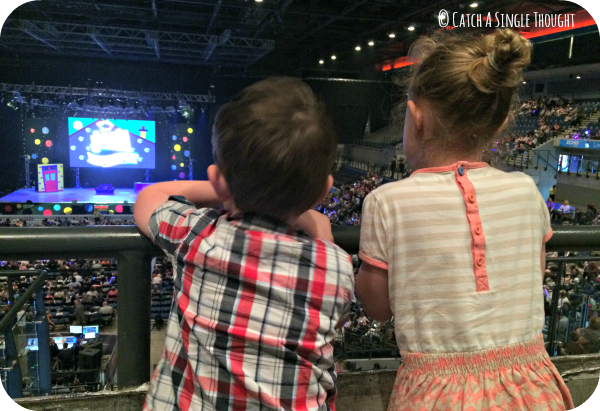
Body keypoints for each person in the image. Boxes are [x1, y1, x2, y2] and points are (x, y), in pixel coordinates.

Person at [356, 29, 574, 410]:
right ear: (500, 123)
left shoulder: (386, 202)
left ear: (415, 119)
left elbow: (376, 306)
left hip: (435, 397)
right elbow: (533, 273)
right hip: (532, 390)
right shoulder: (527, 191)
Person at [135, 77, 354, 411]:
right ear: (324, 191)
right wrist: (320, 229)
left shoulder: (198, 235)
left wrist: (224, 187)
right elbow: (333, 320)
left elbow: (150, 197)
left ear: (218, 181)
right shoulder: (337, 265)